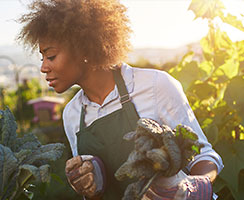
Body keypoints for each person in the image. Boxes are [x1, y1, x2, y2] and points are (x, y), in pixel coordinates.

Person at [17, 0, 223, 199]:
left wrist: (195, 187)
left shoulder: (154, 86)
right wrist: (90, 188)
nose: (43, 67)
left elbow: (205, 155)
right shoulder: (72, 115)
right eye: (42, 58)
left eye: (50, 56)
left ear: (84, 49)